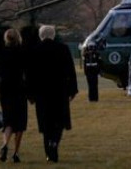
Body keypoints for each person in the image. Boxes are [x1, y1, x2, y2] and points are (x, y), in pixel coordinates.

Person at [28, 25, 78, 163]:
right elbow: (70, 71)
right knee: (59, 121)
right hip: (59, 91)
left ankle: (49, 152)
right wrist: (73, 90)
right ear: (53, 35)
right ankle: (55, 143)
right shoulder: (63, 49)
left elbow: (30, 75)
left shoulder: (34, 50)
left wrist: (30, 94)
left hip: (41, 93)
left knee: (45, 123)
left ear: (41, 35)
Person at [0, 28, 28, 163]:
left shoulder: (1, 53)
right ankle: (16, 153)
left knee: (8, 120)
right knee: (20, 122)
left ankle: (5, 145)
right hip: (19, 88)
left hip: (4, 89)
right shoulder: (22, 52)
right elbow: (27, 74)